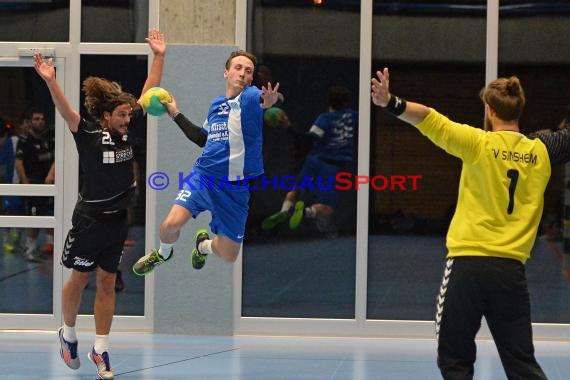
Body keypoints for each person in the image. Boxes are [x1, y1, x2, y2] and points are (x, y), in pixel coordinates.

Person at [371, 68, 570, 379]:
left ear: (489, 111)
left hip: (468, 265)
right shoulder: (542, 150)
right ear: (520, 109)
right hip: (510, 270)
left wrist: (390, 102)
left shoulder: (477, 143)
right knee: (521, 363)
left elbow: (428, 118)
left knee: (454, 358)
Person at [34, 28, 166, 380]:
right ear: (106, 116)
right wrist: (50, 80)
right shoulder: (89, 133)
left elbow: (149, 91)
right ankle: (68, 333)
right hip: (89, 220)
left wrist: (159, 56)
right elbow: (65, 110)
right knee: (80, 278)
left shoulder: (129, 128)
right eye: (121, 115)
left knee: (107, 281)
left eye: (128, 115)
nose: (127, 119)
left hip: (117, 220)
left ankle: (101, 349)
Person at [132, 50, 280, 275]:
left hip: (234, 188)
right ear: (226, 72)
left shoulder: (250, 97)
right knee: (169, 225)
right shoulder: (216, 105)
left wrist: (270, 100)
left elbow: (265, 100)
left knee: (229, 255)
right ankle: (163, 253)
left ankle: (202, 246)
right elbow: (201, 138)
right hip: (204, 177)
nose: (242, 74)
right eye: (238, 68)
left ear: (251, 78)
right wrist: (175, 113)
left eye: (248, 71)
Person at [261, 86, 357, 237]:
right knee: (327, 209)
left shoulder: (324, 119)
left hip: (314, 160)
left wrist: (288, 126)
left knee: (296, 189)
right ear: (346, 102)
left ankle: (284, 210)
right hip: (331, 167)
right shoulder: (353, 117)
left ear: (329, 102)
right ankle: (306, 211)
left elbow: (306, 141)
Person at [14, 107, 55, 261]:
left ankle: (46, 245)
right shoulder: (24, 140)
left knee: (46, 215)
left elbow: (56, 160)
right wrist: (26, 185)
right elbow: (19, 163)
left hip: (49, 186)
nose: (40, 121)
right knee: (33, 216)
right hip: (33, 184)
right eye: (36, 119)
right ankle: (29, 249)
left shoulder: (49, 139)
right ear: (30, 122)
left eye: (42, 119)